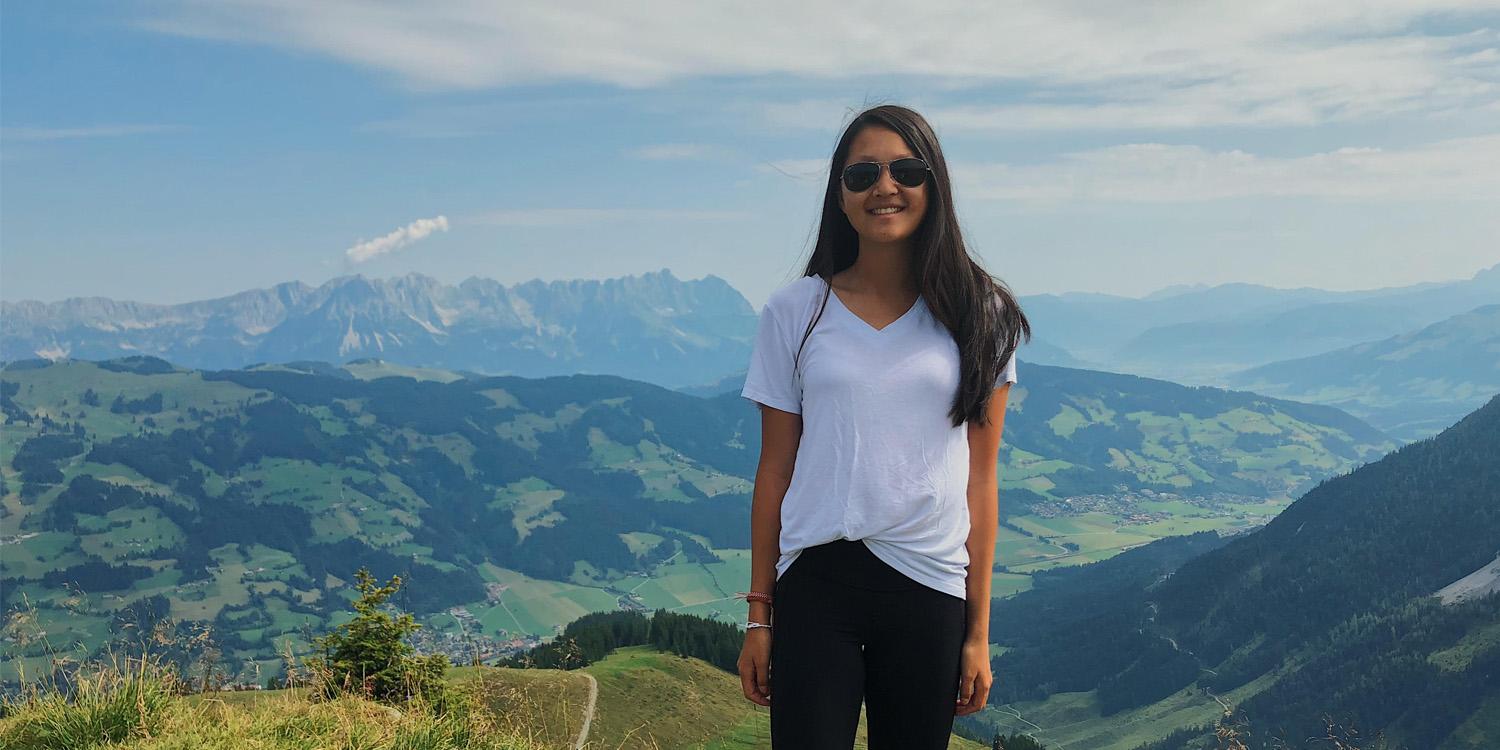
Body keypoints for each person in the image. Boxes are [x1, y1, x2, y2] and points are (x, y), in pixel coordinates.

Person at [734, 103, 1031, 749]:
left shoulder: (983, 313)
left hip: (929, 585)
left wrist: (977, 634)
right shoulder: (796, 312)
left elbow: (982, 479)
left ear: (935, 184)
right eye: (862, 173)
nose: (884, 187)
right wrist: (760, 616)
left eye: (907, 170)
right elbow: (775, 468)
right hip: (817, 584)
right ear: (839, 196)